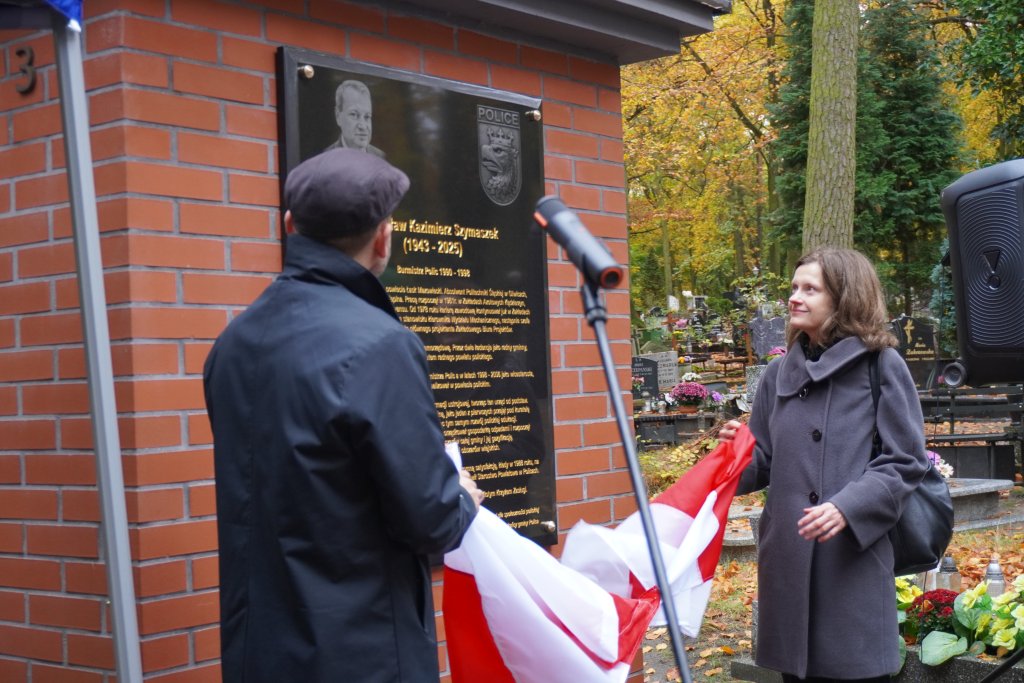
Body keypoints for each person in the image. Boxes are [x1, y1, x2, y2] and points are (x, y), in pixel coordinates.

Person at [204, 149, 483, 682]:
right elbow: (431, 520)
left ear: (290, 225)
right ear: (383, 238)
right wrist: (462, 498)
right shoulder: (381, 346)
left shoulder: (232, 343)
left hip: (257, 652)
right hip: (359, 653)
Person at [718, 247, 928, 682]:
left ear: (844, 297)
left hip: (850, 560)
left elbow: (905, 460)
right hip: (788, 560)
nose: (795, 297)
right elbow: (764, 461)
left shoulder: (880, 365)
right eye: (794, 287)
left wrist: (848, 507)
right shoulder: (778, 374)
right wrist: (733, 454)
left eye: (810, 289)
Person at [326, 79, 385, 157]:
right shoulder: (326, 156)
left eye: (367, 116)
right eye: (354, 114)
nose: (363, 126)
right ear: (338, 116)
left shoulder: (380, 156)